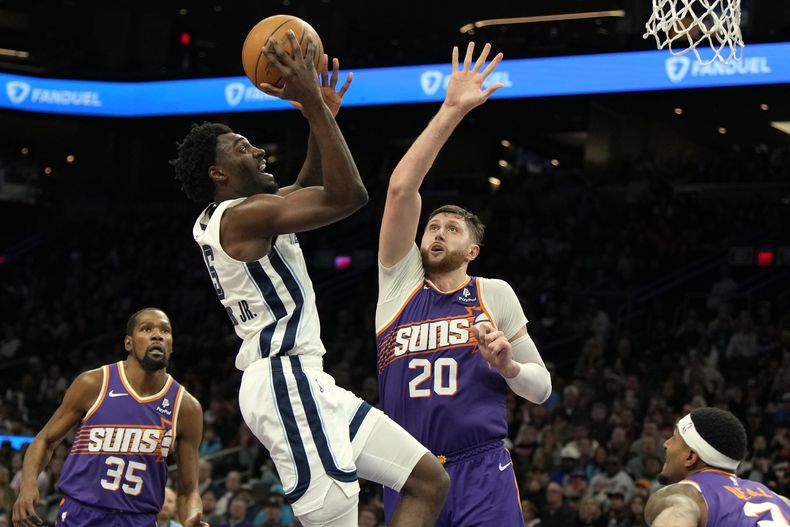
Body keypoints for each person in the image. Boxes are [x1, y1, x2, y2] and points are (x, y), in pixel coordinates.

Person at [171, 31, 448, 527]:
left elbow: (309, 186)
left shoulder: (238, 215)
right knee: (335, 513)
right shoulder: (243, 218)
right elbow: (348, 196)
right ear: (218, 173)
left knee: (429, 481)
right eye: (242, 148)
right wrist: (312, 106)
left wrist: (321, 116)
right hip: (284, 377)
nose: (258, 151)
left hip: (306, 378)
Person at [375, 42, 552, 526]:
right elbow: (401, 189)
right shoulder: (398, 282)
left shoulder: (494, 293)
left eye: (452, 229)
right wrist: (451, 110)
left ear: (473, 250)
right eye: (433, 226)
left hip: (482, 467)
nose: (438, 232)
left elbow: (542, 389)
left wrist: (508, 366)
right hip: (410, 472)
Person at [12, 308, 207, 527]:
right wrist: (28, 485)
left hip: (139, 520)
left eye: (165, 331)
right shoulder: (94, 384)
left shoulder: (186, 407)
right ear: (128, 343)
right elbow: (45, 440)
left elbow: (189, 490)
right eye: (146, 329)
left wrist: (192, 515)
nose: (157, 335)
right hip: (80, 515)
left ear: (171, 345)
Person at [644, 407, 790, 526]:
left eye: (674, 438)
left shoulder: (684, 495)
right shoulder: (780, 500)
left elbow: (679, 515)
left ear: (690, 457)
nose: (666, 444)